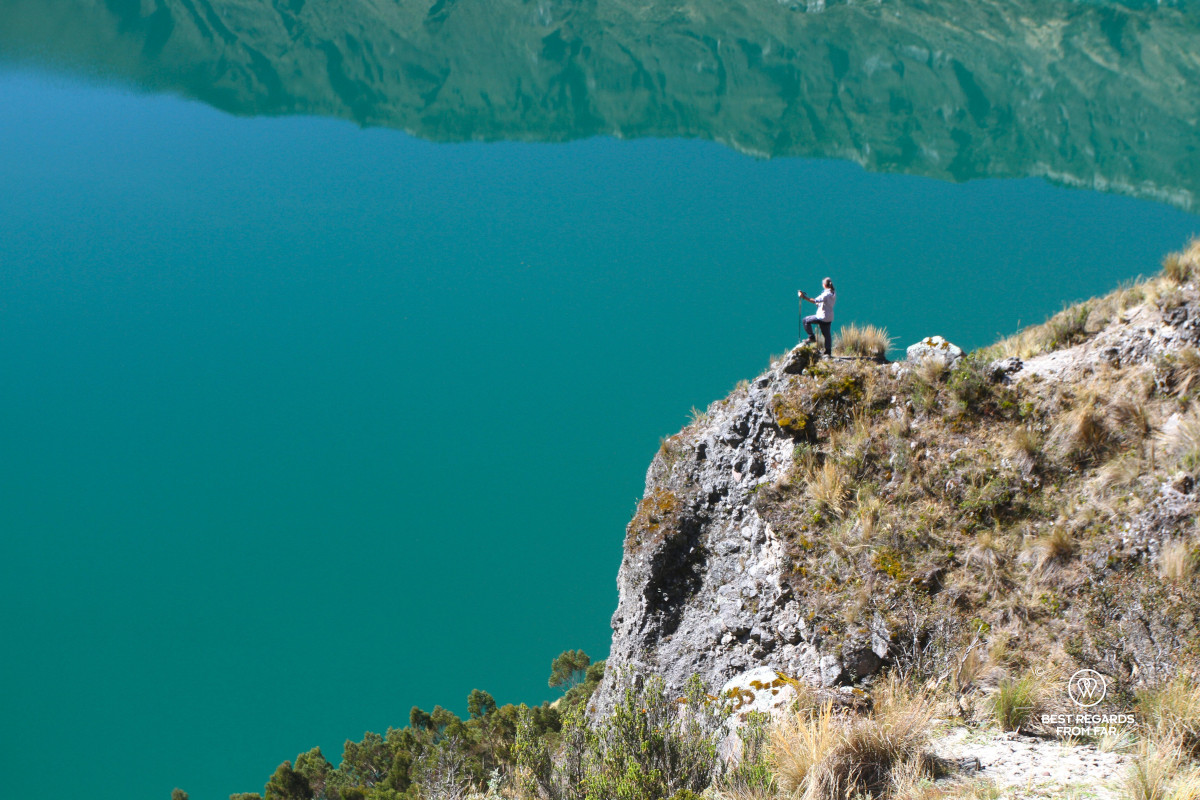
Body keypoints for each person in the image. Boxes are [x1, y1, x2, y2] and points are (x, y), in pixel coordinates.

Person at [799, 277, 836, 356]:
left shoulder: (825, 294)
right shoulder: (833, 292)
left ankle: (811, 337)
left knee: (805, 320)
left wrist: (803, 297)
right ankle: (828, 352)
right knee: (827, 335)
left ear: (824, 285)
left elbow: (815, 300)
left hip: (822, 316)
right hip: (829, 317)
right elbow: (825, 303)